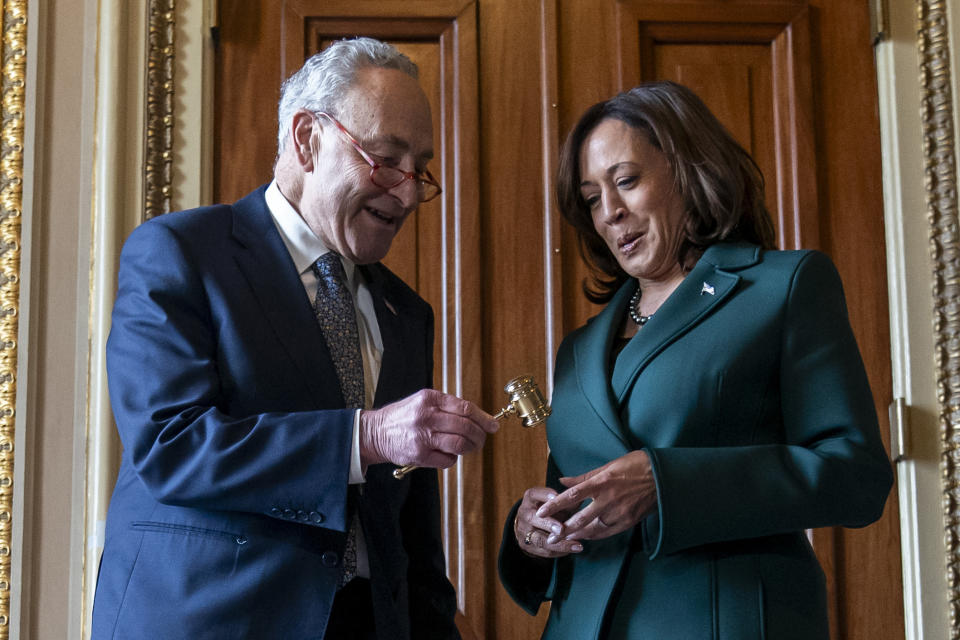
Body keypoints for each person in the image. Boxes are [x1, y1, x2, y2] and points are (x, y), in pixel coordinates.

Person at [91, 37, 497, 639]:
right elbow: (171, 445)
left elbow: (410, 534)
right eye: (386, 159)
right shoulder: (181, 254)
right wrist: (367, 436)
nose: (408, 192)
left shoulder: (407, 314)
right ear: (308, 138)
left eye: (420, 169)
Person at [497, 81, 893, 639]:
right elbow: (578, 494)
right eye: (591, 199)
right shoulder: (579, 348)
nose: (609, 213)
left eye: (626, 181)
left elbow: (856, 477)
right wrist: (533, 531)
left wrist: (666, 483)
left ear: (687, 171)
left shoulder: (783, 286)